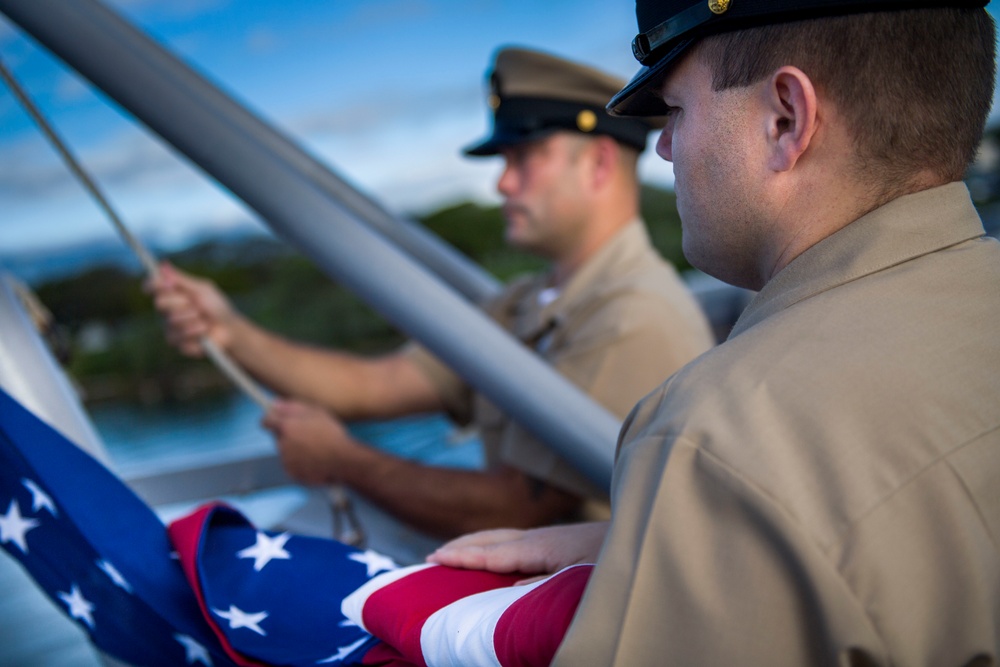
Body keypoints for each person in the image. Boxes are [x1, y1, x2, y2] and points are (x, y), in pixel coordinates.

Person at [429, 2, 1000, 665]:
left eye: (676, 112)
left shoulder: (714, 438)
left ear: (785, 118)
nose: (665, 146)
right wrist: (690, 549)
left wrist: (703, 511)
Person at [151, 46, 714, 541]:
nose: (501, 183)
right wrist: (228, 330)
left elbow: (517, 509)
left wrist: (343, 459)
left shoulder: (631, 312)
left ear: (597, 163)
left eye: (524, 157)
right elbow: (374, 386)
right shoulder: (526, 301)